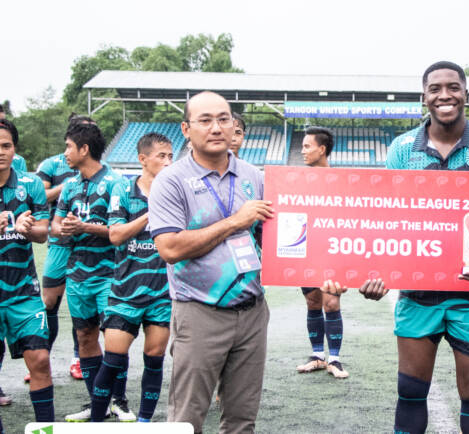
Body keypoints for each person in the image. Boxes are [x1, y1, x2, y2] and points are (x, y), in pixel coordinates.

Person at [323, 61, 469, 433]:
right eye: (435, 88)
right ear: (424, 97)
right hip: (417, 294)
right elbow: (386, 220)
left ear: (466, 93)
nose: (445, 95)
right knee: (410, 390)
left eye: (453, 87)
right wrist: (377, 275)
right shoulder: (402, 150)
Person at [149, 91, 273, 434]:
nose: (216, 127)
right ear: (186, 129)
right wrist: (236, 221)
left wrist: (321, 272)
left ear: (234, 125)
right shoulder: (171, 181)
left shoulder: (255, 176)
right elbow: (170, 248)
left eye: (223, 118)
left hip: (252, 311)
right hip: (199, 311)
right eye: (205, 120)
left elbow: (277, 240)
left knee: (242, 421)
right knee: (187, 420)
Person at [89, 133, 174, 422]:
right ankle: (97, 422)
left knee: (154, 360)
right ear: (143, 159)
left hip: (162, 295)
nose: (167, 161)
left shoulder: (176, 191)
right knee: (112, 361)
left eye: (170, 156)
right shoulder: (123, 189)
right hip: (125, 292)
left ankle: (144, 423)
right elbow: (115, 235)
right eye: (161, 156)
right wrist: (152, 213)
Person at [52, 122, 128, 422]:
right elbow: (56, 226)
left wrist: (84, 227)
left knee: (114, 338)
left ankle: (119, 401)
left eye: (69, 146)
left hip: (109, 275)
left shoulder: (115, 182)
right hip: (77, 277)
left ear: (84, 149)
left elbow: (118, 231)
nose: (65, 152)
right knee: (85, 337)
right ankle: (96, 400)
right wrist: (65, 228)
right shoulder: (70, 185)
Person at [0, 119, 55, 421]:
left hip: (24, 294)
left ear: (15, 149)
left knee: (41, 359)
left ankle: (45, 429)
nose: (1, 152)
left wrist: (27, 228)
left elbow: (44, 232)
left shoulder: (30, 184)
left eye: (6, 146)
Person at [35, 114, 96, 382]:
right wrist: (67, 186)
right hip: (58, 242)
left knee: (80, 305)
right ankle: (41, 357)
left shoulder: (100, 169)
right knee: (49, 301)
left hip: (88, 248)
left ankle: (78, 359)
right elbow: (39, 196)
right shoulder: (52, 164)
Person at [294, 127, 348, 379]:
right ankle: (317, 355)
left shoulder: (341, 181)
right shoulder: (297, 181)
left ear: (321, 149)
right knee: (313, 302)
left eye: (307, 146)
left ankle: (334, 360)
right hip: (306, 249)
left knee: (331, 302)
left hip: (333, 251)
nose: (302, 151)